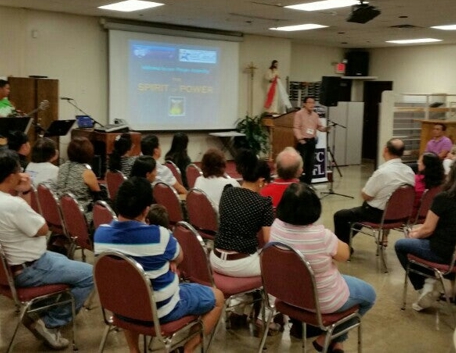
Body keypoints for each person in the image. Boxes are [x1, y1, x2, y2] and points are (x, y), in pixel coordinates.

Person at [94, 176, 224, 353]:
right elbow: (179, 257)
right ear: (146, 210)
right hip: (161, 311)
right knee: (218, 298)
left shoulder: (100, 234)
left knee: (127, 287)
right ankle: (187, 350)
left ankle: (134, 350)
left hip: (120, 307)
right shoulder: (159, 235)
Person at [0, 150, 94, 350]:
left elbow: (28, 224)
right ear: (11, 176)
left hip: (13, 267)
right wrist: (22, 196)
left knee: (70, 264)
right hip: (31, 268)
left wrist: (24, 191)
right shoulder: (12, 205)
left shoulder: (9, 202)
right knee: (89, 274)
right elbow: (42, 228)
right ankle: (51, 323)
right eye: (19, 170)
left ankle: (40, 310)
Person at [271, 182, 376, 353]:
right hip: (322, 302)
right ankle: (330, 337)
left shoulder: (275, 227)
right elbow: (345, 255)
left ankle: (335, 342)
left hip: (286, 295)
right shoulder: (321, 236)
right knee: (370, 295)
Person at [395, 158, 456, 311]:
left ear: (451, 175)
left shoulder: (443, 198)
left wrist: (414, 234)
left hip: (444, 252)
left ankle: (426, 284)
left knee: (401, 245)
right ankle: (454, 290)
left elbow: (428, 230)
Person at [333, 138, 415, 245]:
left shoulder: (382, 172)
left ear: (385, 150)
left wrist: (363, 190)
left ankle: (342, 247)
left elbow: (367, 196)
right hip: (400, 215)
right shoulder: (409, 171)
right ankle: (345, 243)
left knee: (340, 215)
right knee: (357, 215)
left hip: (378, 215)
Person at [210, 149, 273, 277]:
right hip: (240, 264)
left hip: (215, 258)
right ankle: (271, 297)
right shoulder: (264, 203)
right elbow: (268, 239)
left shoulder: (227, 191)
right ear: (261, 181)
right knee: (278, 264)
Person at [57, 137, 103, 221]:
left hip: (61, 213)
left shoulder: (62, 167)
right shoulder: (87, 173)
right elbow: (98, 196)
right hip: (80, 216)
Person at [293, 97, 328, 184]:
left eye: (313, 103)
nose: (312, 105)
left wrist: (325, 128)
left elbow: (319, 127)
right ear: (304, 104)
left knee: (311, 163)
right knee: (302, 164)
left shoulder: (315, 115)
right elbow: (296, 127)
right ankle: (299, 183)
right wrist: (300, 139)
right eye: (309, 102)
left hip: (312, 141)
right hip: (303, 141)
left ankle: (308, 183)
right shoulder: (299, 114)